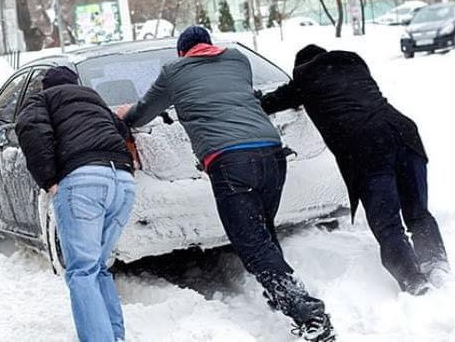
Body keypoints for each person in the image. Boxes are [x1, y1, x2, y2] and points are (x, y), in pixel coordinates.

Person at [117, 26, 335, 342]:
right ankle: (282, 295)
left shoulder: (173, 72)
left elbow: (142, 113)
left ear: (183, 52)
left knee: (252, 244)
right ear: (210, 45)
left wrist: (124, 116)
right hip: (272, 154)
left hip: (231, 162)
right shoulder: (238, 60)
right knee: (262, 230)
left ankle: (308, 313)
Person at [260, 44, 449, 294]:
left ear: (300, 67)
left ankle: (413, 280)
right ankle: (435, 262)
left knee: (387, 222)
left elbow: (268, 103)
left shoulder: (304, 79)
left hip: (368, 146)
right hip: (404, 133)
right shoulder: (353, 62)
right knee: (417, 210)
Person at [15, 66, 136, 342]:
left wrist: (48, 178)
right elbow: (122, 129)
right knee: (98, 266)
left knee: (82, 270)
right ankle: (115, 336)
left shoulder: (42, 100)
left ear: (46, 86)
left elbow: (31, 129)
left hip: (83, 182)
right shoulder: (94, 100)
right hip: (123, 183)